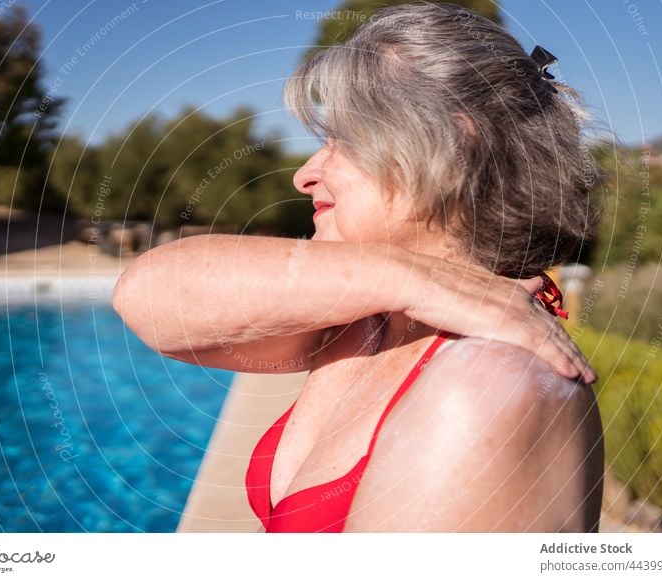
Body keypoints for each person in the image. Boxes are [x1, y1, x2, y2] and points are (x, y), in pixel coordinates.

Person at [113, 2, 604, 533]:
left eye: (344, 140)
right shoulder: (369, 319)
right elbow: (145, 296)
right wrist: (410, 277)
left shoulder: (487, 384)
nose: (305, 174)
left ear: (453, 146)